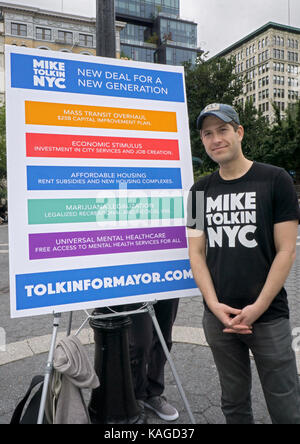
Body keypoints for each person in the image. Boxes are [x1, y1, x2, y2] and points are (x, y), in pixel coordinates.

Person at [187, 103, 300, 424]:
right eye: (207, 134)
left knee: (285, 404)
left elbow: (286, 251)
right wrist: (213, 304)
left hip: (268, 316)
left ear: (239, 132)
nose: (215, 139)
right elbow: (196, 253)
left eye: (222, 130)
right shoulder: (198, 191)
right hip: (218, 317)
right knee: (233, 403)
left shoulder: (275, 179)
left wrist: (258, 307)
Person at [129, 299, 179, 421]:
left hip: (167, 284)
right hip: (136, 286)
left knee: (163, 337)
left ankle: (153, 392)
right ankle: (136, 396)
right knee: (139, 342)